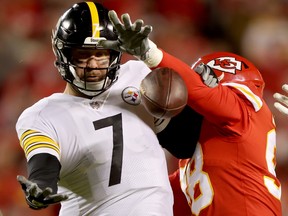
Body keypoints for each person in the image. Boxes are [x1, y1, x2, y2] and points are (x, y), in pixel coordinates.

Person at [100, 11, 283, 216]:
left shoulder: (245, 109)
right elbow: (159, 197)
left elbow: (199, 92)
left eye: (204, 77)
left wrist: (148, 52)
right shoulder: (198, 158)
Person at [15, 2, 175, 215]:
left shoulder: (139, 76)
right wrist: (40, 187)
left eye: (101, 54)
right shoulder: (42, 115)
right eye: (82, 54)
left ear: (114, 53)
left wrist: (153, 56)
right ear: (65, 56)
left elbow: (183, 143)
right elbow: (44, 163)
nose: (92, 64)